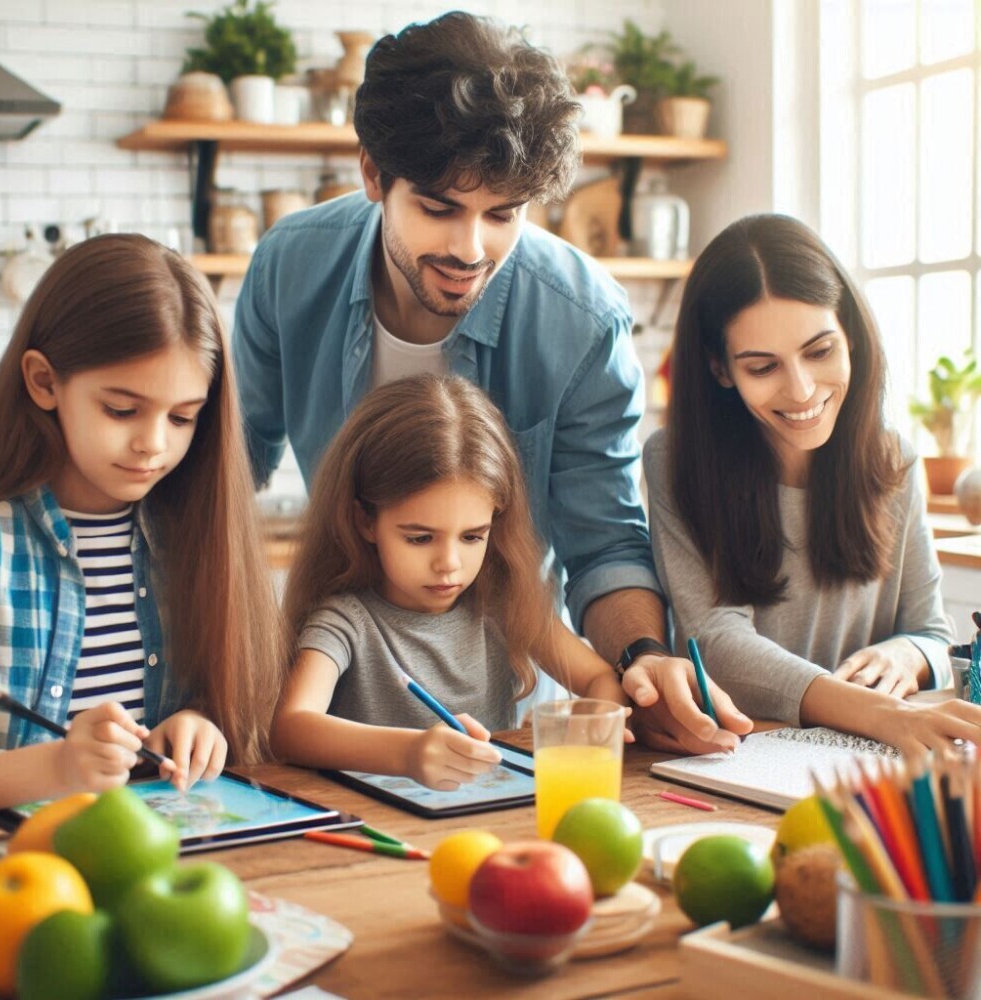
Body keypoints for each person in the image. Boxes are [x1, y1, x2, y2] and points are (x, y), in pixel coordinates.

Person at [233, 11, 750, 754]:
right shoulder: (291, 266)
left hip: (508, 723)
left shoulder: (581, 319)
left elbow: (603, 541)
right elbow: (227, 470)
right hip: (347, 716)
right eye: (440, 209)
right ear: (374, 175)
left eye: (503, 213)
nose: (470, 250)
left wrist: (640, 659)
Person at [644, 213, 981, 756]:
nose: (801, 390)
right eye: (763, 367)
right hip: (745, 752)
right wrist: (883, 714)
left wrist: (906, 655)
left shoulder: (895, 460)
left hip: (871, 755)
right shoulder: (674, 460)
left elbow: (932, 633)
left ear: (850, 335)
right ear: (720, 369)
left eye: (820, 351)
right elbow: (718, 644)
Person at [0, 234, 286, 810]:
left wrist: (196, 725)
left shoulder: (189, 540)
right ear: (44, 382)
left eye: (182, 417)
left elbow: (208, 718)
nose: (153, 444)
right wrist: (60, 764)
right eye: (121, 410)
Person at [271, 374, 633, 789]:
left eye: (473, 536)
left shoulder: (503, 604)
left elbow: (600, 679)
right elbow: (290, 727)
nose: (449, 564)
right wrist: (408, 754)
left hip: (495, 821)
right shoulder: (345, 620)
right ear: (365, 521)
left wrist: (586, 728)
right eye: (420, 538)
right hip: (386, 829)